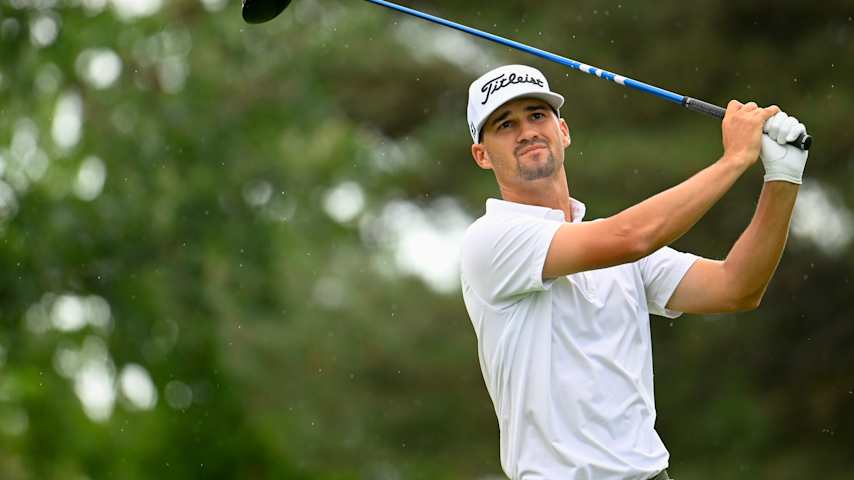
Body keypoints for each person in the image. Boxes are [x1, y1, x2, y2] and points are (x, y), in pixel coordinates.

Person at [459, 64, 808, 480]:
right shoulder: (492, 239)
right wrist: (735, 159)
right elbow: (632, 236)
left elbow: (736, 287)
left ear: (563, 131)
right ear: (482, 155)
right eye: (505, 124)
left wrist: (782, 178)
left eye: (537, 115)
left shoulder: (612, 248)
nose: (527, 131)